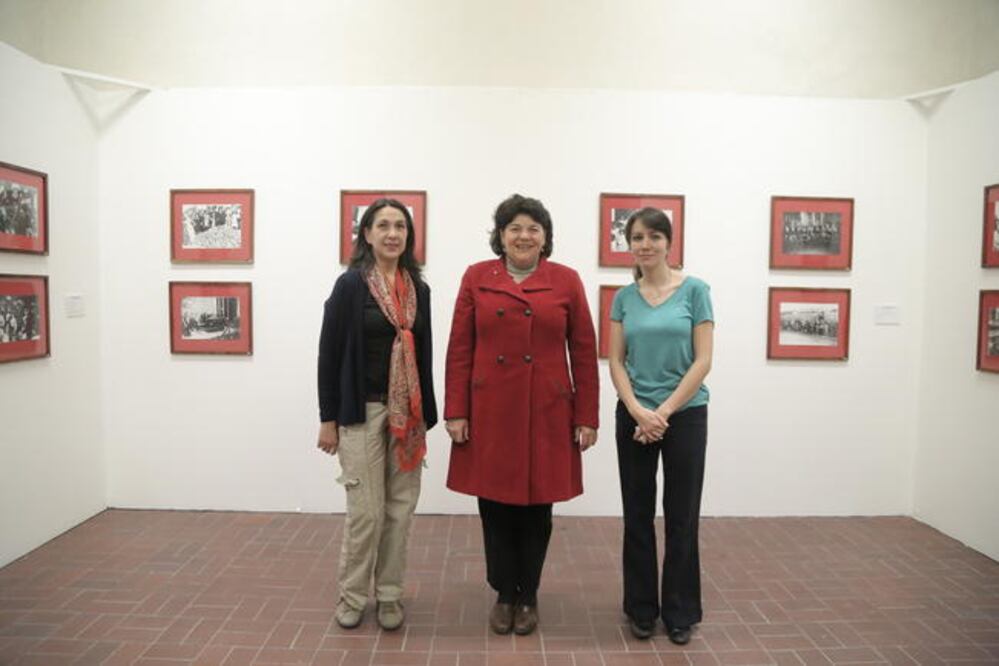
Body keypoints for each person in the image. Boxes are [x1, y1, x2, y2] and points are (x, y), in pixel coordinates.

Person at [444, 194, 599, 636]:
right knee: (493, 506)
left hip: (547, 411)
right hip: (490, 409)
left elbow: (584, 352)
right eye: (515, 228)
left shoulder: (566, 281)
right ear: (501, 236)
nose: (524, 235)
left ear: (545, 237)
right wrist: (456, 410)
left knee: (537, 509)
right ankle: (503, 592)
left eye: (533, 228)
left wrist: (586, 415)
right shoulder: (477, 277)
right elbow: (460, 348)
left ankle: (527, 593)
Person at [317, 198, 437, 631]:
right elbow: (328, 353)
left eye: (400, 227)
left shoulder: (418, 289)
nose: (392, 234)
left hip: (407, 415)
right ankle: (351, 596)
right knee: (366, 511)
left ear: (409, 237)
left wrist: (426, 416)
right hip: (360, 411)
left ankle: (389, 595)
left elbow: (422, 355)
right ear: (366, 234)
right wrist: (327, 417)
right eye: (383, 225)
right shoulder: (351, 286)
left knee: (400, 510)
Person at [607, 207, 714, 645]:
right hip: (633, 414)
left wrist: (663, 412)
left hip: (684, 415)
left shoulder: (696, 291)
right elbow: (615, 360)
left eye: (654, 236)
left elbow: (703, 360)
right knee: (636, 515)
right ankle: (641, 608)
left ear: (669, 243)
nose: (645, 244)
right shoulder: (623, 298)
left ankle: (680, 611)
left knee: (682, 516)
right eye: (637, 237)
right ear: (628, 245)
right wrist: (636, 409)